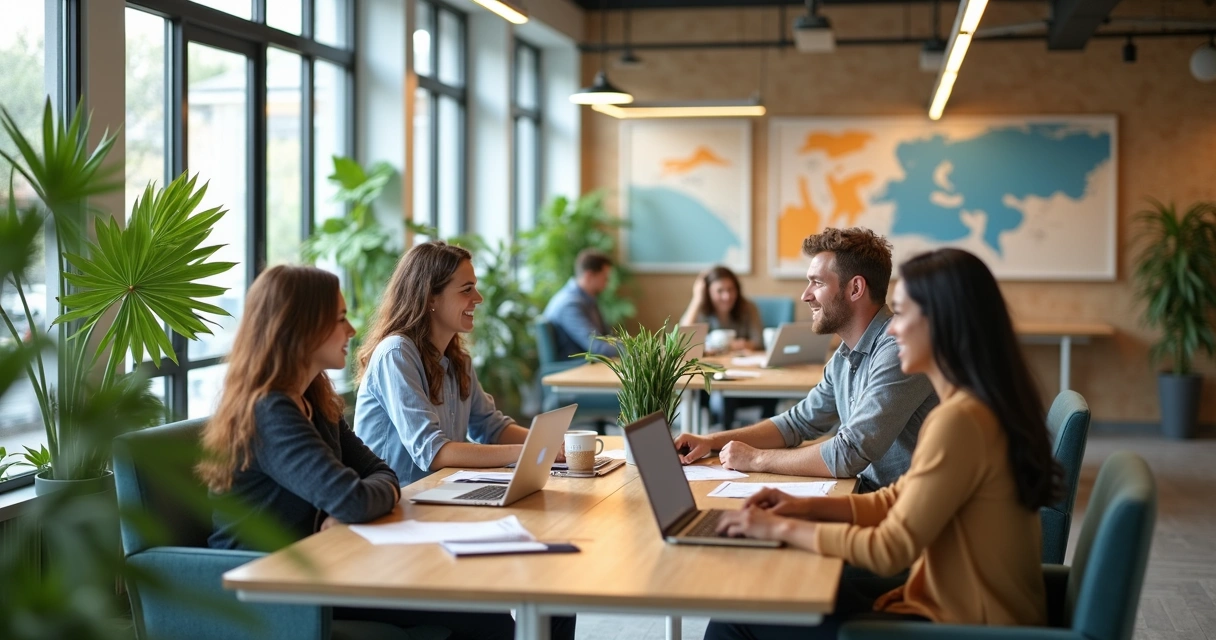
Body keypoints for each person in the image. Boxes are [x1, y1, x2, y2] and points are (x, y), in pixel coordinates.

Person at [703, 248, 1063, 639]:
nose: (892, 328)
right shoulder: (973, 408)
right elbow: (894, 501)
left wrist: (780, 529)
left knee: (740, 610)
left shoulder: (960, 422)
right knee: (769, 593)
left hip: (964, 628)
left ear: (944, 323)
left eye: (904, 313)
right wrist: (801, 506)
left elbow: (891, 548)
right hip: (949, 607)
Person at [198, 265, 522, 638]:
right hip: (269, 583)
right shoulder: (269, 412)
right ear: (299, 328)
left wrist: (357, 501)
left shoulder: (313, 399)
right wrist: (346, 508)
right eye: (339, 318)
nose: (352, 330)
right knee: (480, 613)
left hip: (324, 563)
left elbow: (379, 470)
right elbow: (354, 499)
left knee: (481, 604)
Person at [674, 228, 937, 492]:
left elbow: (849, 453)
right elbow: (797, 423)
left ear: (855, 288)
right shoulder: (844, 356)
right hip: (868, 493)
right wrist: (710, 441)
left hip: (903, 511)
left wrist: (756, 458)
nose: (805, 295)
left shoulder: (898, 351)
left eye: (818, 283)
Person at [355, 241, 553, 484]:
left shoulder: (458, 359)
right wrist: (531, 452)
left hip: (441, 492)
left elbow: (491, 427)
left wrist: (551, 444)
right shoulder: (396, 354)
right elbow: (433, 451)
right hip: (398, 501)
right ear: (430, 298)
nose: (478, 298)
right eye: (466, 289)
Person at [541, 248, 618, 359]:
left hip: (586, 365)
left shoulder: (588, 299)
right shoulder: (569, 304)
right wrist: (632, 351)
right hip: (571, 369)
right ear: (589, 276)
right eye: (605, 278)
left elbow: (606, 337)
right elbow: (596, 346)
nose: (607, 283)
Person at [679, 265, 764, 352]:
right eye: (720, 291)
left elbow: (759, 341)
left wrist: (741, 345)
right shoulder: (701, 310)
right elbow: (682, 339)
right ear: (707, 292)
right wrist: (697, 299)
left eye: (731, 289)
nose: (727, 296)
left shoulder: (748, 307)